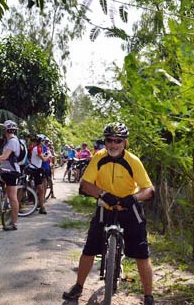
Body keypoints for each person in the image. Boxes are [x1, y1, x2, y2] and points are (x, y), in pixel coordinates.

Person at [62, 122, 155, 305]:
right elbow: (85, 184)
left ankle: (148, 296)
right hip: (106, 206)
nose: (113, 144)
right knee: (89, 249)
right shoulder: (99, 157)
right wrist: (103, 194)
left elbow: (149, 190)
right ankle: (78, 287)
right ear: (105, 142)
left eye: (118, 141)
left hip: (129, 208)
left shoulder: (133, 161)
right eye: (109, 140)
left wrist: (134, 198)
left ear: (124, 143)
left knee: (142, 254)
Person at [28, 135, 49, 214]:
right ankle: (42, 206)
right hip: (35, 169)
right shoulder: (38, 149)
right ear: (40, 142)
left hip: (32, 168)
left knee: (37, 188)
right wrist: (48, 156)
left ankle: (40, 205)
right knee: (40, 189)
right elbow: (43, 159)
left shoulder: (34, 148)